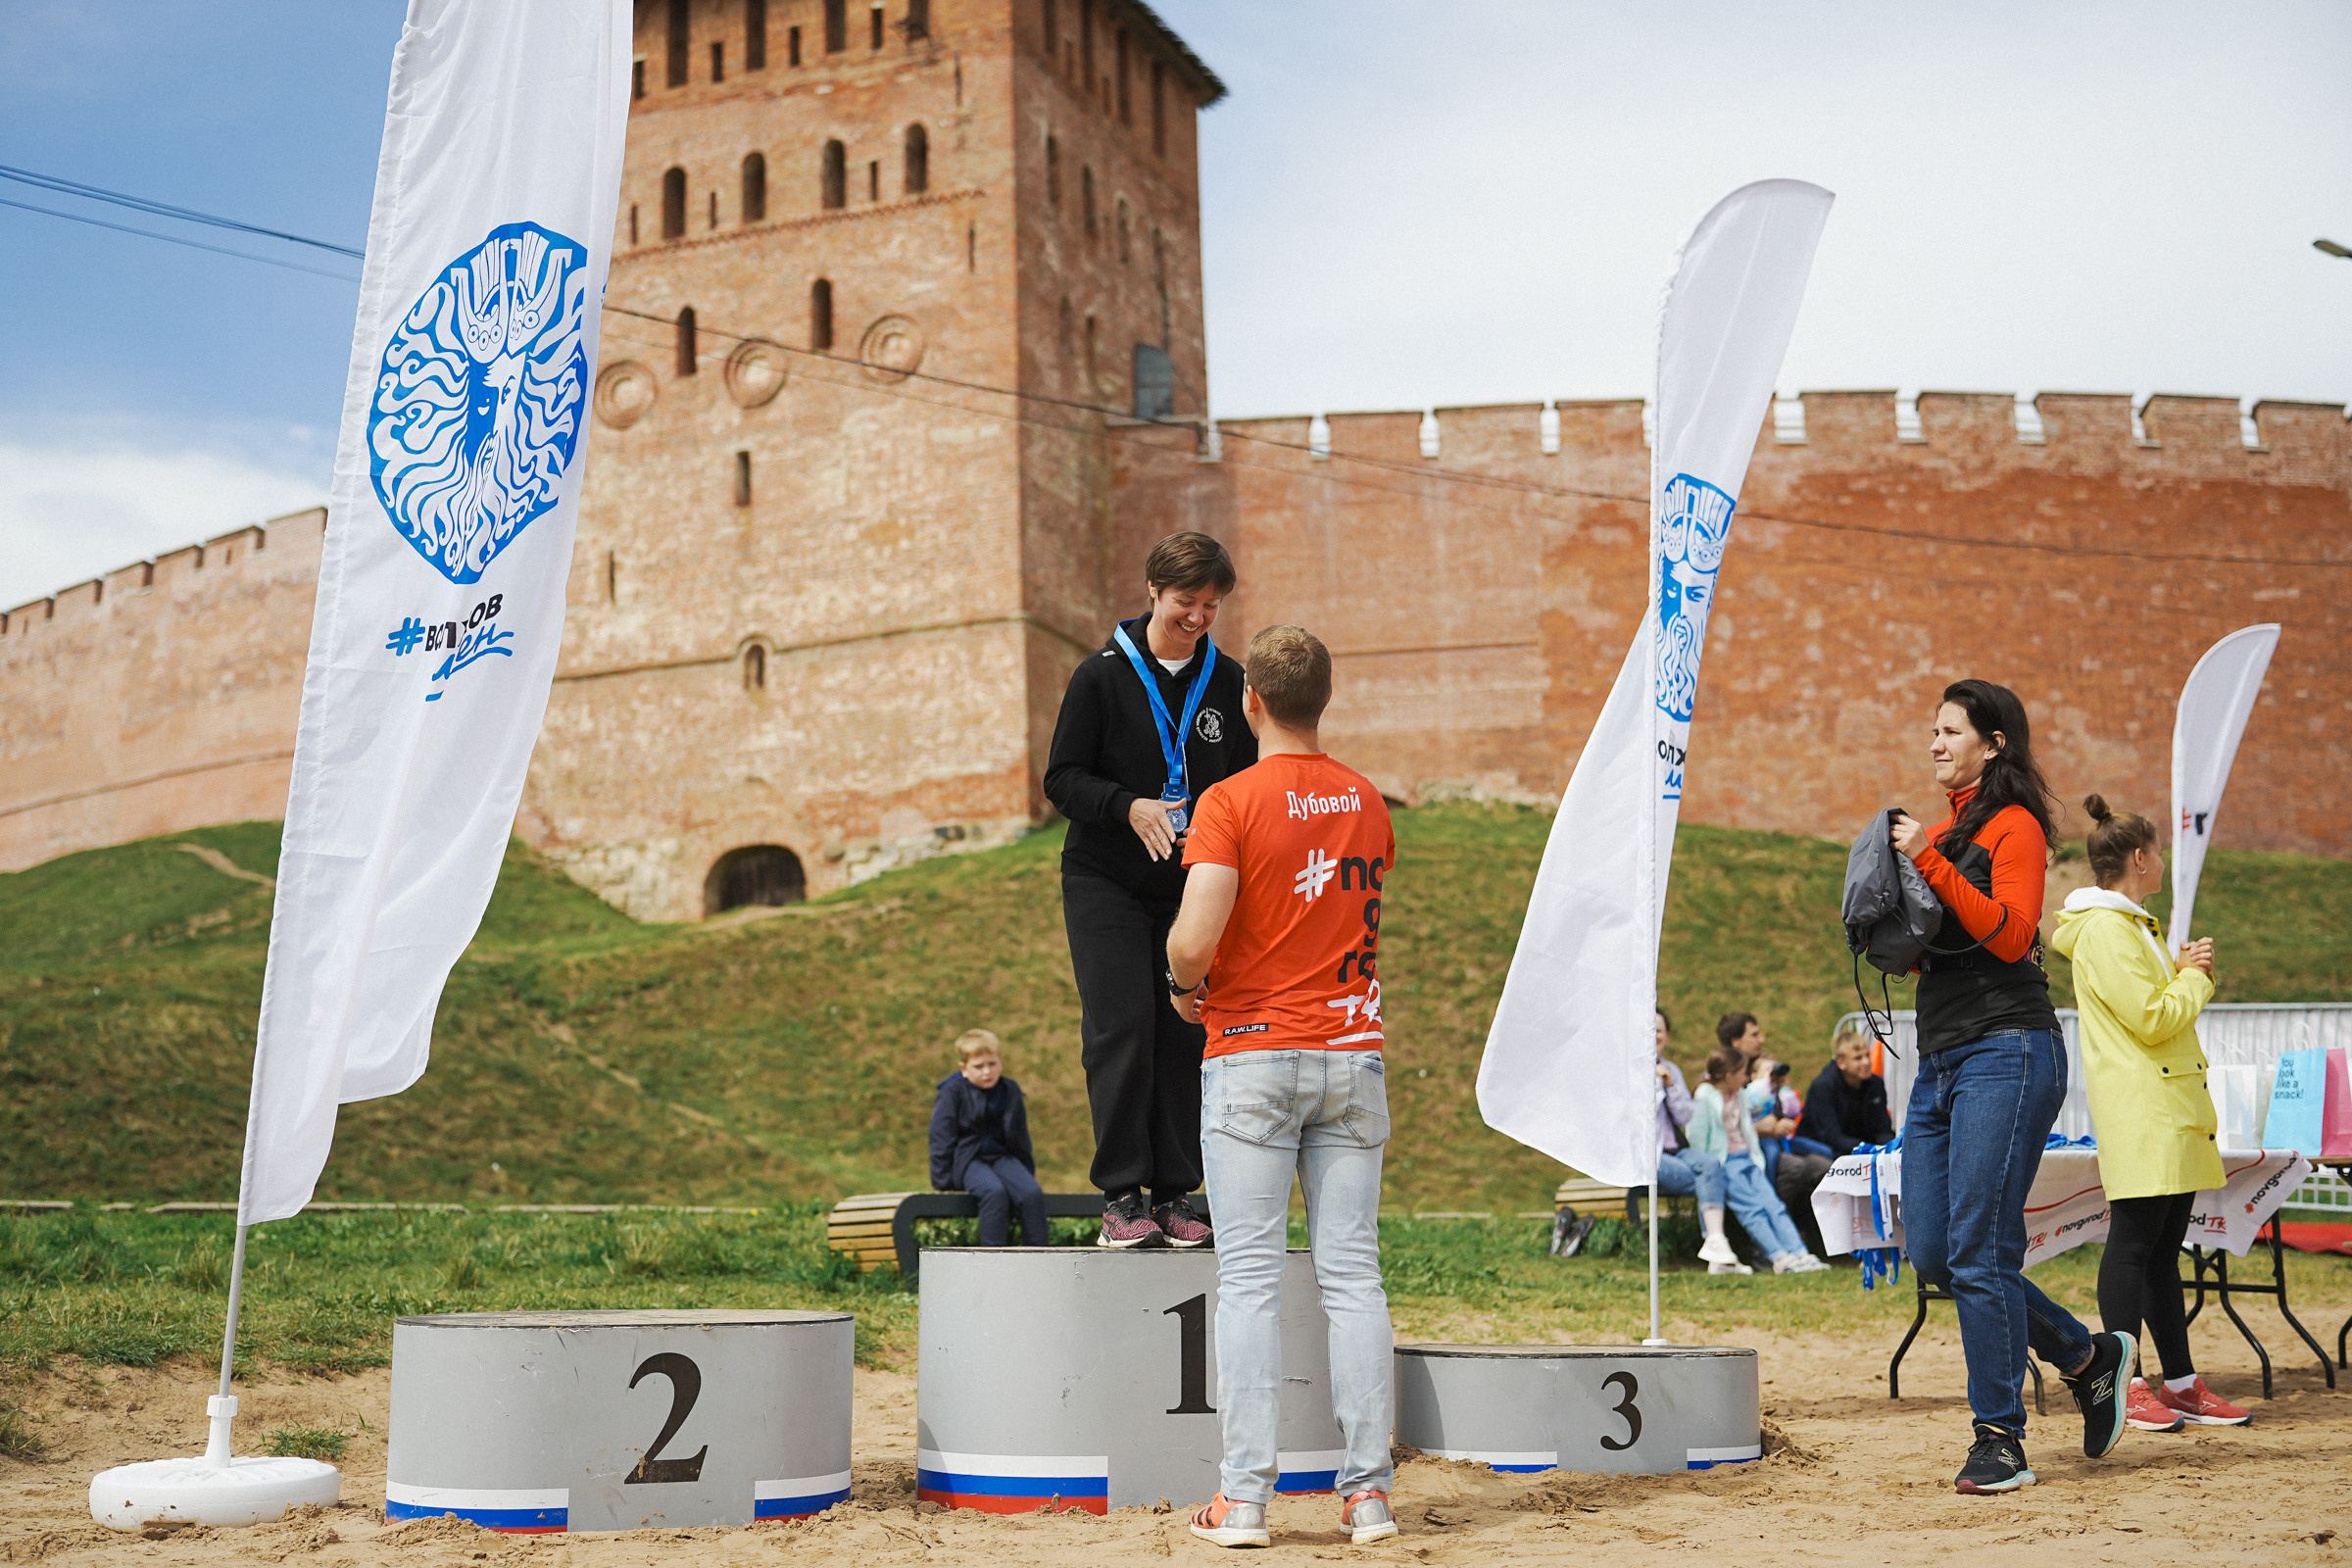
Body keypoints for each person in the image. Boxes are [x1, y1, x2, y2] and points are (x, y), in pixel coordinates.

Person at [1164, 625, 1399, 1550]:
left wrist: (1188, 989)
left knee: (1252, 1283)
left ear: (1251, 700)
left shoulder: (1229, 800)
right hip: (1353, 1051)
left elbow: (1192, 938)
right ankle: (1369, 1496)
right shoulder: (1368, 801)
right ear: (1323, 701)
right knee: (1353, 1278)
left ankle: (1245, 1500)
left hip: (1254, 1052)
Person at [1888, 679, 2134, 1494]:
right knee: (1933, 1248)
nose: (1934, 743)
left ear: (1992, 744)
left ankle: (2001, 1439)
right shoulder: (1951, 829)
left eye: (1950, 731)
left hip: (2010, 1049)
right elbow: (1941, 944)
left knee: (1980, 1250)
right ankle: (2086, 1355)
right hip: (1943, 1057)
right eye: (1932, 731)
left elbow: (2013, 933)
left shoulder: (2014, 826)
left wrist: (1924, 858)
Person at [1044, 532, 1257, 1249]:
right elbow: (1063, 778)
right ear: (1152, 593)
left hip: (1191, 884)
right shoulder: (1100, 676)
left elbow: (1244, 780)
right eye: (1184, 603)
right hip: (1105, 880)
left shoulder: (1227, 682)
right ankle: (1122, 1195)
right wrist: (1127, 805)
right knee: (1121, 1030)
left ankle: (1176, 1194)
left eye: (1210, 605)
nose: (1197, 617)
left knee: (1184, 1033)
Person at [2050, 795, 2250, 1432]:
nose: (2163, 861)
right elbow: (2152, 1017)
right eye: (2158, 851)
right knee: (2133, 1248)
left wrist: (2183, 973)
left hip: (2168, 1104)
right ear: (2139, 858)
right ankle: (2124, 1382)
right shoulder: (2109, 931)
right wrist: (2193, 978)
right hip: (2145, 1107)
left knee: (2162, 1254)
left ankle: (2181, 1383)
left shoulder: (2130, 927)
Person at [1688, 1048, 1830, 1275]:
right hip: (1726, 1163)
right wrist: (1712, 1166)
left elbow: (1757, 1107)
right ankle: (1779, 1256)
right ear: (1728, 1076)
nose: (1745, 1078)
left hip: (1747, 1158)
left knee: (1774, 1206)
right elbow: (1696, 1136)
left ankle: (1800, 1253)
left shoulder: (1740, 1094)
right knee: (1752, 1211)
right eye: (1742, 1073)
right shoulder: (1705, 1096)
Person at [927, 1030, 1049, 1248]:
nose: (986, 1072)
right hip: (968, 1160)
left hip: (1002, 1157)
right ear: (964, 1069)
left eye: (992, 1064)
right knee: (993, 1193)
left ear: (1001, 1062)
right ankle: (992, 1262)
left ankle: (1042, 1257)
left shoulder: (1009, 1090)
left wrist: (1025, 1173)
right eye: (978, 1066)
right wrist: (943, 1182)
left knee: (1032, 1194)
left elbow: (1020, 1136)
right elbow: (940, 1137)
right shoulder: (952, 1092)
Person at [1652, 1008, 1740, 1273]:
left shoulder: (1671, 1070)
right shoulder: (1628, 1072)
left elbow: (1685, 1115)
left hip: (1676, 1148)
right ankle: (1716, 1252)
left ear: (1667, 1035)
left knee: (1710, 1165)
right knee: (1704, 1179)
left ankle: (1716, 1248)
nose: (1654, 1035)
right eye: (1649, 1029)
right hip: (1649, 1154)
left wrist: (1669, 1085)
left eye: (1659, 1030)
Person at [1796, 1028, 1896, 1158]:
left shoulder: (1875, 1084)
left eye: (1867, 1055)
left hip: (1858, 1147)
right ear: (1841, 1062)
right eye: (1858, 1058)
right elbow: (1831, 1137)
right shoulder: (1823, 1086)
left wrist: (1891, 1147)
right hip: (1821, 1149)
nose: (1866, 1062)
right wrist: (1869, 1149)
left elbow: (1883, 1128)